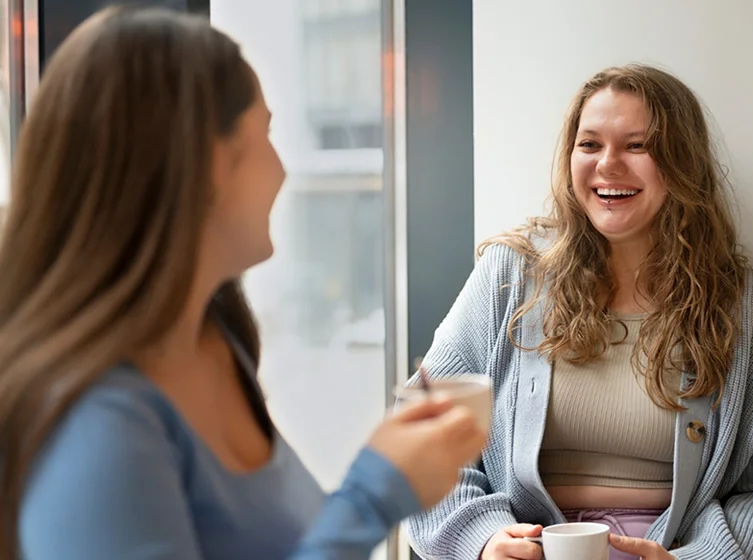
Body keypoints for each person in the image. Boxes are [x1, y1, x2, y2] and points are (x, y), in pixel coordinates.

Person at [0, 7, 486, 560]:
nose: (281, 169)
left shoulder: (216, 344)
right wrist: (374, 494)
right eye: (266, 133)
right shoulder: (97, 427)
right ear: (207, 161)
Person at [403, 64, 753, 560]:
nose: (608, 165)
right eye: (590, 144)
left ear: (682, 164)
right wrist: (482, 539)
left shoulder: (748, 303)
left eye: (637, 146)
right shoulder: (509, 277)